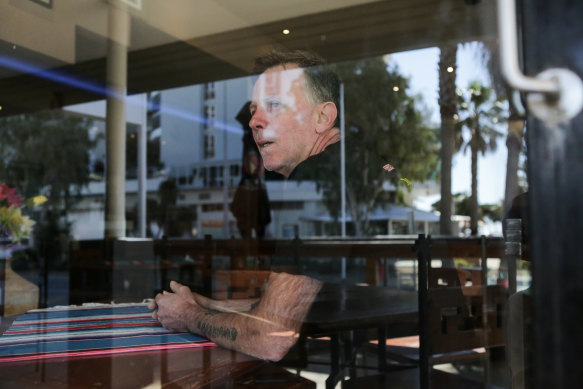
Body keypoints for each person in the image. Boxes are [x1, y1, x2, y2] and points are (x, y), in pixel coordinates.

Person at [149, 50, 340, 361]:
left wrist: (187, 316)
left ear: (322, 117)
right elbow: (278, 307)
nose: (254, 121)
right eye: (255, 109)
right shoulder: (331, 172)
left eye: (274, 105)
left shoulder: (326, 185)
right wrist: (199, 304)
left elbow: (267, 338)